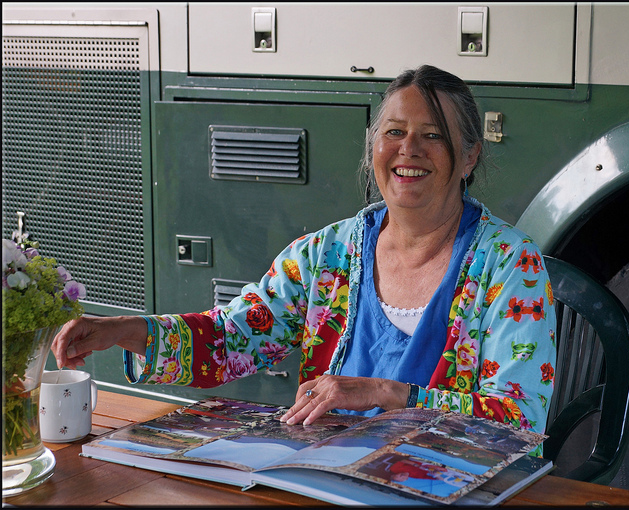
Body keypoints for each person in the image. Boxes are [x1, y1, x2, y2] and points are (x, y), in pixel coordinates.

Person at [52, 65, 556, 435]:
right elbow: (232, 340)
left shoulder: (511, 266)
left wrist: (387, 394)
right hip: (326, 479)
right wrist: (128, 330)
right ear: (372, 146)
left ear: (470, 156)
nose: (409, 150)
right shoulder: (328, 254)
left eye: (433, 136)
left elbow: (520, 421)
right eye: (395, 133)